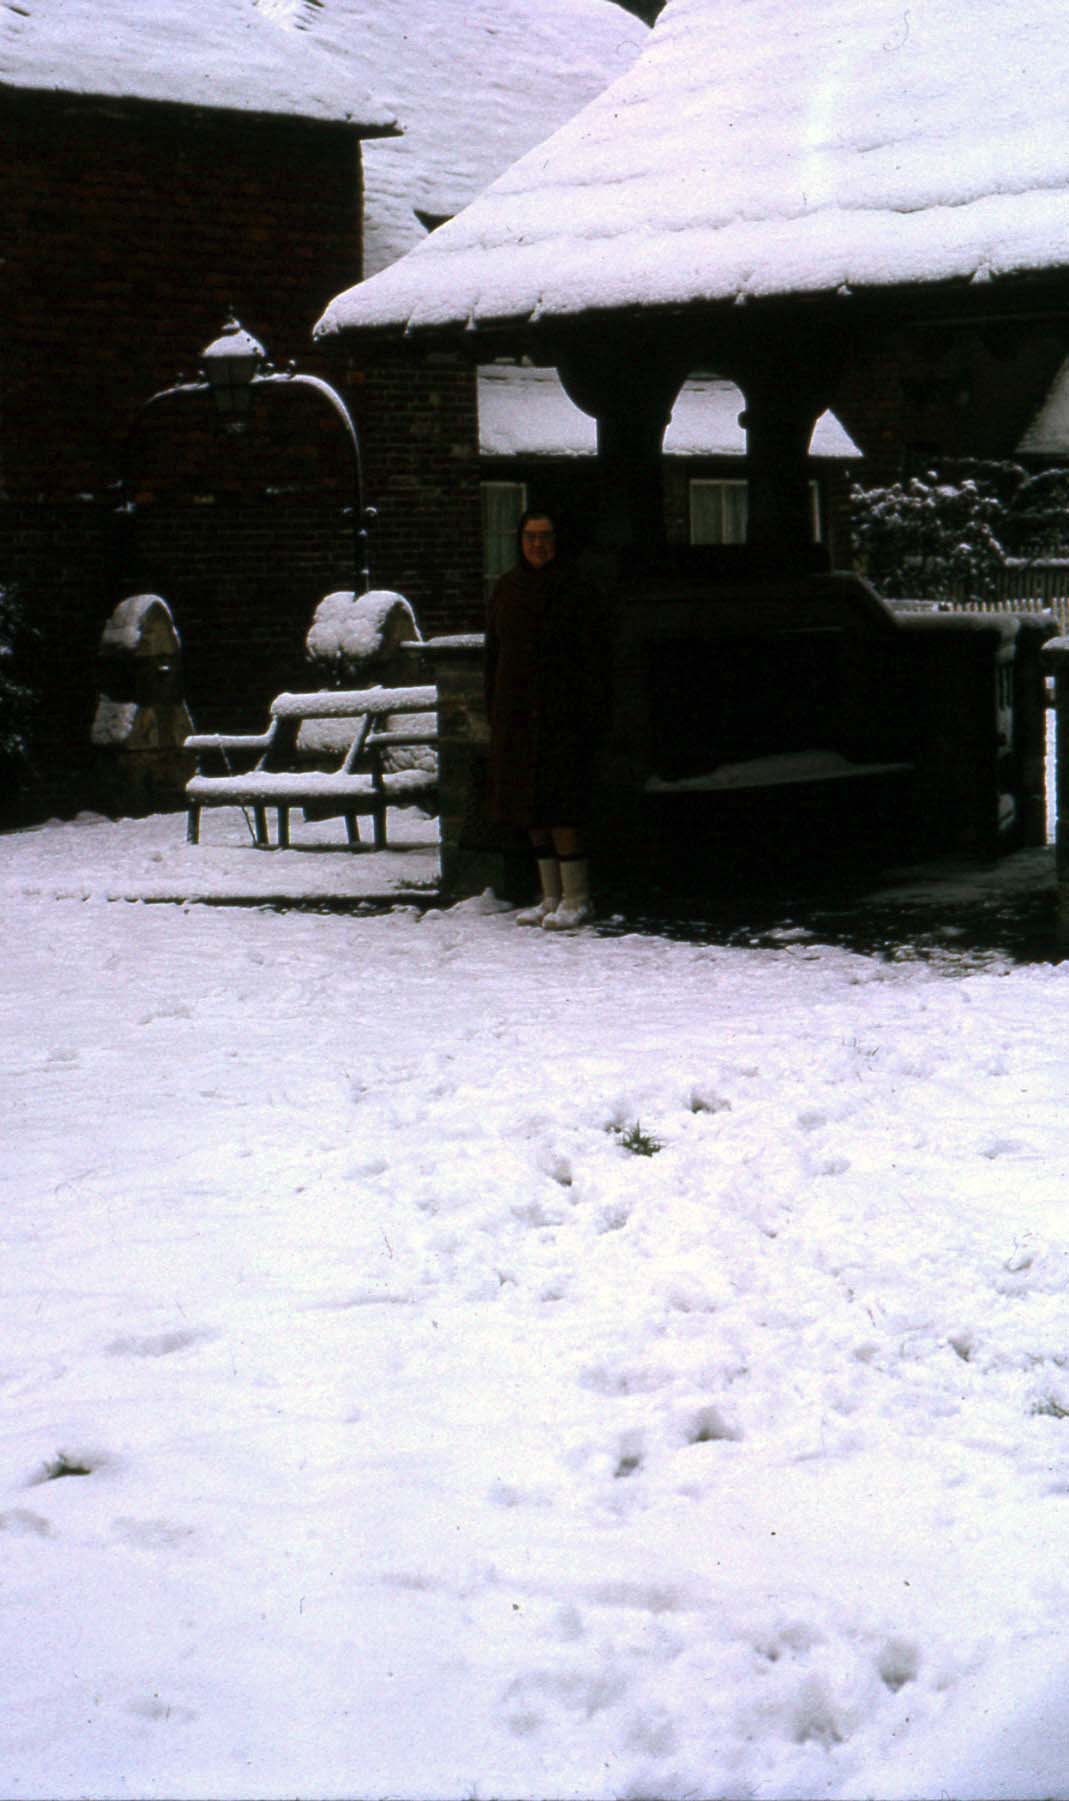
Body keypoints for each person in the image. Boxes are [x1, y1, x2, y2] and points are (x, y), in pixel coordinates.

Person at [484, 508, 603, 930]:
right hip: (516, 717)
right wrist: (494, 711)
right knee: (530, 808)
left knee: (562, 806)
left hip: (563, 715)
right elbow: (493, 656)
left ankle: (577, 896)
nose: (539, 544)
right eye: (531, 536)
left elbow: (593, 657)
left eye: (546, 536)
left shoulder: (577, 589)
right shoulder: (507, 590)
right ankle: (550, 895)